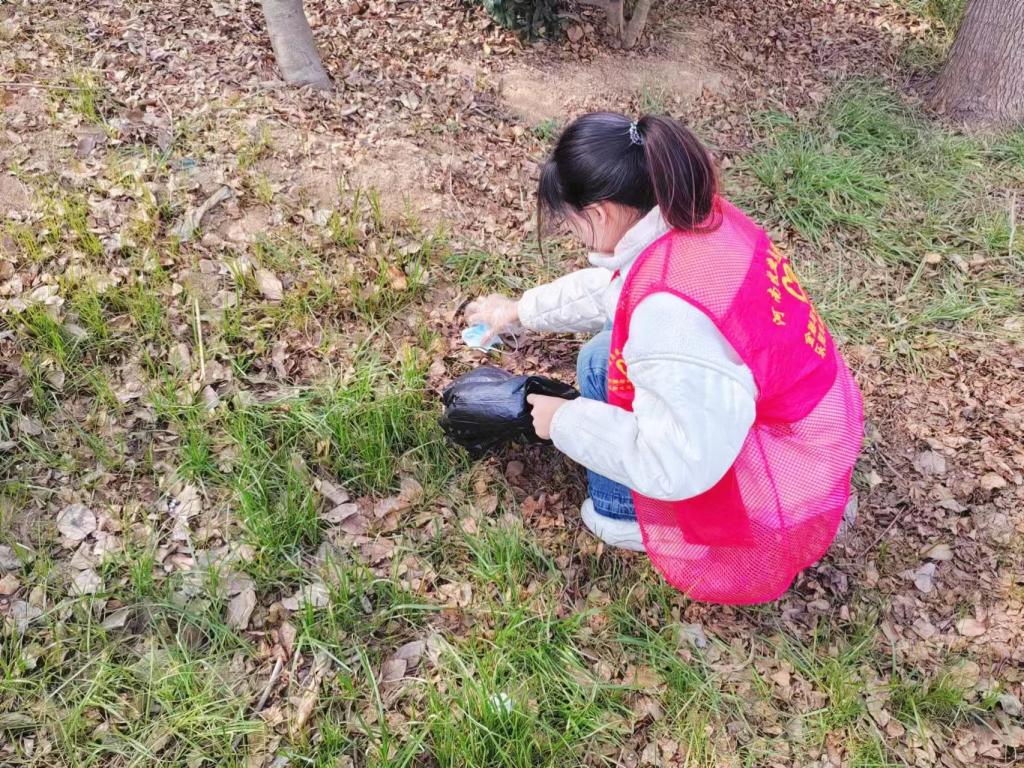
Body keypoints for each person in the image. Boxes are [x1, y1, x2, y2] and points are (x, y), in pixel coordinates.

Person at [466, 113, 863, 604]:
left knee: (606, 376)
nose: (574, 236)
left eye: (571, 224)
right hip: (809, 421)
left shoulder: (668, 320)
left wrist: (563, 420)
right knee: (600, 358)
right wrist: (520, 311)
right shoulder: (691, 218)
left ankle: (622, 517)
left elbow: (679, 461)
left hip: (779, 476)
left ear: (601, 213)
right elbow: (618, 287)